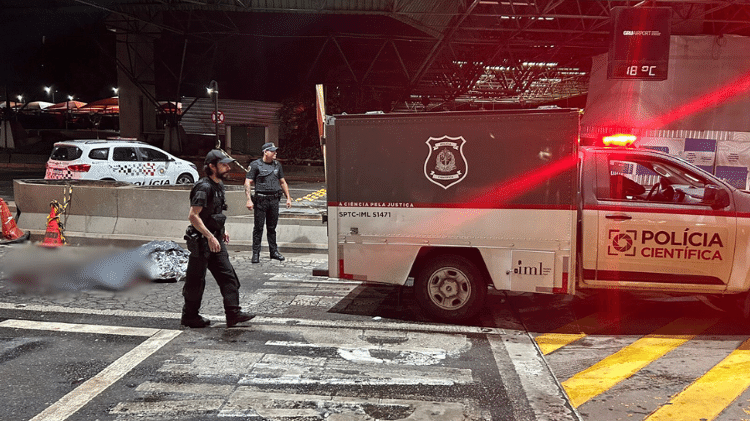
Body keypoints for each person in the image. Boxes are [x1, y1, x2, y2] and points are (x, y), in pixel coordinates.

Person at [181, 149, 255, 328]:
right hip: (202, 241)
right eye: (223, 164)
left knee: (228, 276)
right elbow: (193, 216)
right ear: (211, 167)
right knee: (195, 281)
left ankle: (233, 314)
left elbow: (216, 212)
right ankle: (190, 316)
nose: (227, 167)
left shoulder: (219, 185)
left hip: (215, 239)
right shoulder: (203, 187)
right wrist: (209, 237)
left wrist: (222, 230)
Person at [244, 142, 292, 264]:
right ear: (265, 152)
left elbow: (282, 182)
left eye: (275, 150)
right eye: (272, 151)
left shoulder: (277, 165)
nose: (275, 153)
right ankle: (256, 253)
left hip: (274, 200)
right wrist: (249, 199)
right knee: (258, 228)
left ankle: (273, 252)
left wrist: (288, 197)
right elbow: (248, 182)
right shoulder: (255, 165)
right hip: (261, 200)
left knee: (272, 228)